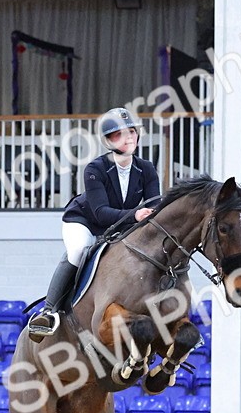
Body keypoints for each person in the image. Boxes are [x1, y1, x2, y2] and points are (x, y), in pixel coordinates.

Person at [26, 107, 161, 340]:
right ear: (108, 140)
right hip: (85, 221)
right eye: (120, 134)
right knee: (79, 250)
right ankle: (49, 310)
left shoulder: (146, 169)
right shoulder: (95, 169)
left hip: (119, 226)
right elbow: (100, 213)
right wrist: (136, 215)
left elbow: (155, 205)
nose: (129, 137)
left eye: (132, 131)